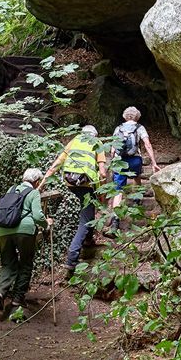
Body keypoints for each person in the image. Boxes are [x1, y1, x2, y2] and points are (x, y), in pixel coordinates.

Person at [42, 125, 107, 278]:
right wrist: (103, 194)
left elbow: (57, 164)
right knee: (85, 219)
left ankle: (88, 240)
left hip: (70, 182)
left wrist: (41, 184)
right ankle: (72, 258)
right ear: (95, 134)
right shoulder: (97, 143)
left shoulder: (74, 141)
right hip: (86, 184)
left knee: (87, 212)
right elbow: (103, 171)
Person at [0, 168, 53, 316]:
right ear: (36, 181)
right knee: (25, 263)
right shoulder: (33, 193)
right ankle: (17, 300)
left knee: (8, 263)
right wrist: (48, 224)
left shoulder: (11, 189)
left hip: (4, 230)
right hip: (24, 232)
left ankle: (1, 292)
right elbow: (38, 216)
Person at [107, 106, 160, 236]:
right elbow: (147, 144)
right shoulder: (140, 128)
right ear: (137, 117)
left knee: (118, 191)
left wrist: (113, 162)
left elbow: (113, 149)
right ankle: (137, 201)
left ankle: (115, 223)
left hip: (120, 161)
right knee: (137, 178)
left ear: (125, 116)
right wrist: (153, 162)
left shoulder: (118, 128)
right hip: (135, 159)